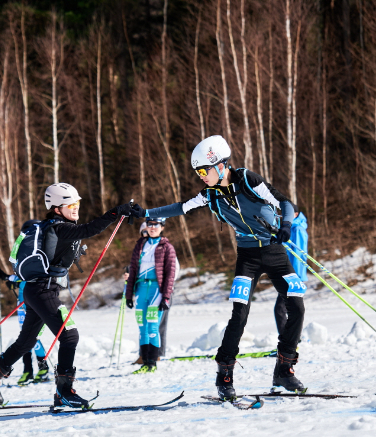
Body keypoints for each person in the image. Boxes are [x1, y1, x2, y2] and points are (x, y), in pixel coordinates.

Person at [129, 135, 307, 400]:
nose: (201, 176)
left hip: (272, 249)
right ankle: (224, 374)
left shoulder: (248, 180)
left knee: (296, 303)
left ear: (221, 166)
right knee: (240, 314)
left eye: (204, 170)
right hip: (247, 255)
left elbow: (285, 203)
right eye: (198, 172)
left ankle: (284, 369)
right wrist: (146, 213)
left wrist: (286, 225)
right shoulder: (210, 195)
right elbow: (181, 207)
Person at [0, 183, 136, 407]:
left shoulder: (56, 228)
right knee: (70, 336)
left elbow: (67, 246)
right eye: (70, 204)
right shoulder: (58, 227)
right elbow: (90, 229)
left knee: (26, 341)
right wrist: (116, 212)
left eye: (77, 203)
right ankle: (64, 391)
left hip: (37, 290)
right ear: (56, 207)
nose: (76, 207)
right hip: (42, 290)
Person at [124, 217, 178, 373]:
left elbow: (170, 274)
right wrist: (129, 295)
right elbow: (133, 270)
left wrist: (166, 297)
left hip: (156, 290)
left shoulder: (167, 247)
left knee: (153, 326)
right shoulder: (140, 245)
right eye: (150, 225)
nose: (152, 227)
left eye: (156, 225)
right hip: (141, 288)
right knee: (142, 327)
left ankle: (152, 363)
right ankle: (145, 361)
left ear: (162, 227)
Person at [0, 263, 50, 386]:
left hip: (33, 305)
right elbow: (19, 278)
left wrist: (18, 282)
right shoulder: (23, 266)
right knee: (24, 337)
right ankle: (28, 371)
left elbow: (32, 279)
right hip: (21, 307)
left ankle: (43, 369)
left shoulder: (37, 265)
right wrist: (5, 277)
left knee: (34, 337)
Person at [274, 204, 309, 340]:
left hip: (293, 275)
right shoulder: (289, 229)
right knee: (289, 309)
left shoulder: (298, 229)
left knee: (281, 309)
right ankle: (292, 338)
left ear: (295, 214)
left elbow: (299, 255)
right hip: (287, 273)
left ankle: (288, 340)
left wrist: (295, 276)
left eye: (287, 214)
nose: (284, 217)